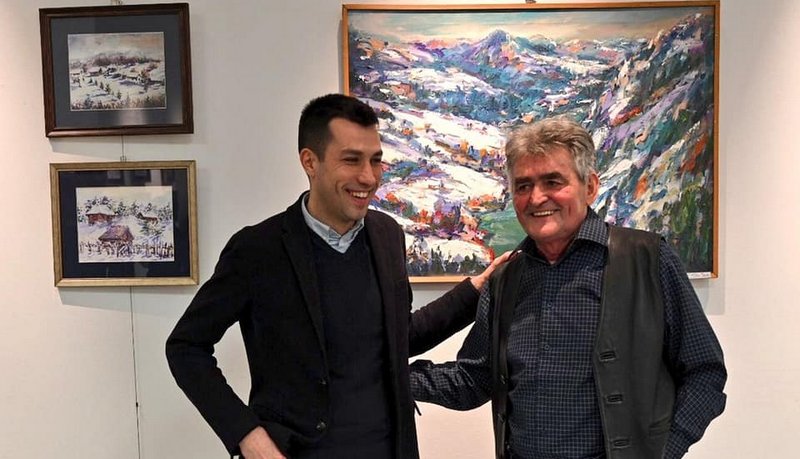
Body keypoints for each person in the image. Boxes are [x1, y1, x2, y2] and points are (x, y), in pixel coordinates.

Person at [165, 93, 511, 459]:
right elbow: (186, 347)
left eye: (375, 160)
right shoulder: (257, 250)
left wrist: (474, 291)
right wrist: (247, 436)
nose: (369, 177)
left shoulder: (387, 235)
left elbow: (397, 338)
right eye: (351, 160)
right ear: (309, 162)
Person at [410, 116, 727, 459]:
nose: (536, 198)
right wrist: (388, 378)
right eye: (523, 186)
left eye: (552, 181)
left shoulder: (647, 259)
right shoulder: (506, 279)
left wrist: (664, 451)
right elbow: (476, 378)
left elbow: (704, 373)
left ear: (590, 187)